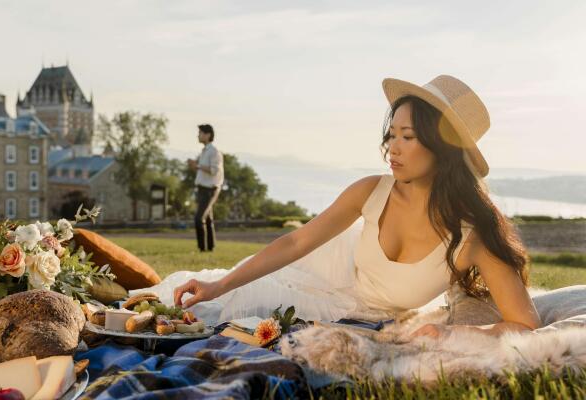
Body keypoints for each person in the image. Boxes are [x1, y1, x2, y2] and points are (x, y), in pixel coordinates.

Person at [174, 75, 542, 339]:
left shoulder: (472, 234)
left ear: (442, 148)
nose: (393, 148)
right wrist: (219, 285)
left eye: (408, 137)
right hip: (313, 274)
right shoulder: (370, 191)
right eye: (392, 134)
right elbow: (296, 244)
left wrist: (457, 334)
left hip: (355, 313)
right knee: (204, 308)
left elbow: (525, 324)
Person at [188, 124, 224, 252]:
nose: (198, 135)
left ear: (208, 135)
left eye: (200, 133)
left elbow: (214, 171)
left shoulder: (214, 152)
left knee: (199, 218)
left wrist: (197, 166)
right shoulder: (205, 151)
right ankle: (210, 247)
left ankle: (202, 249)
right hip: (203, 188)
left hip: (210, 189)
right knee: (208, 219)